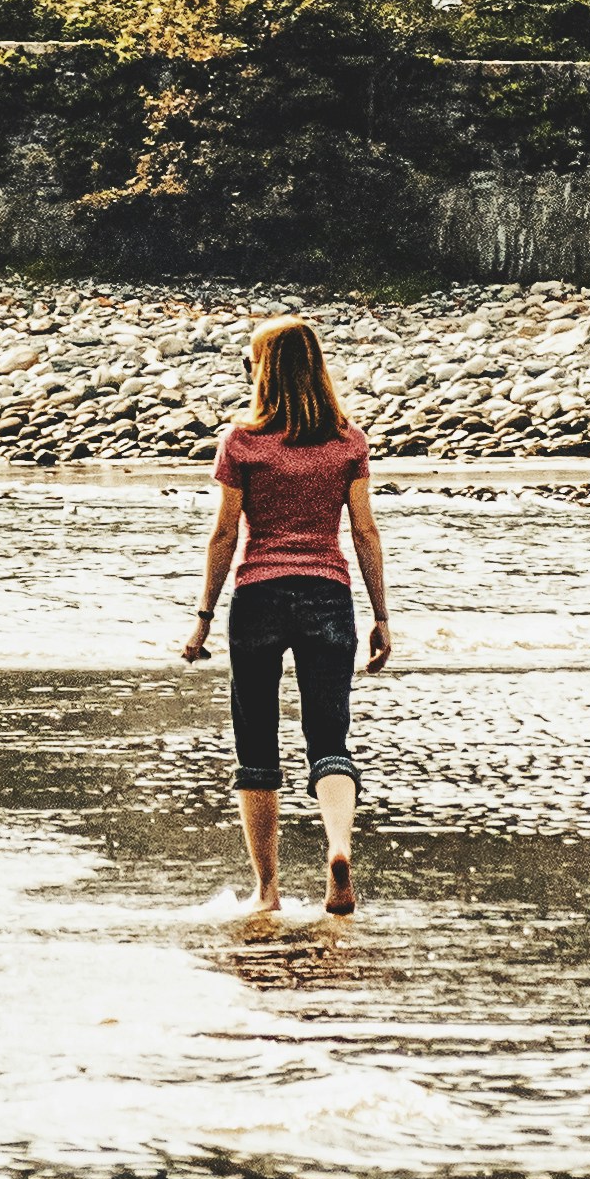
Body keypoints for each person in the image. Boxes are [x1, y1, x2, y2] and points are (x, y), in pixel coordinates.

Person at [183, 313, 390, 918]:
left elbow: (224, 535)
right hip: (327, 593)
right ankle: (338, 847)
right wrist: (381, 616)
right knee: (329, 737)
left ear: (263, 370)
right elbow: (365, 532)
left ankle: (268, 892)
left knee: (256, 746)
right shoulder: (347, 440)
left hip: (258, 598)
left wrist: (201, 618)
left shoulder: (242, 441)